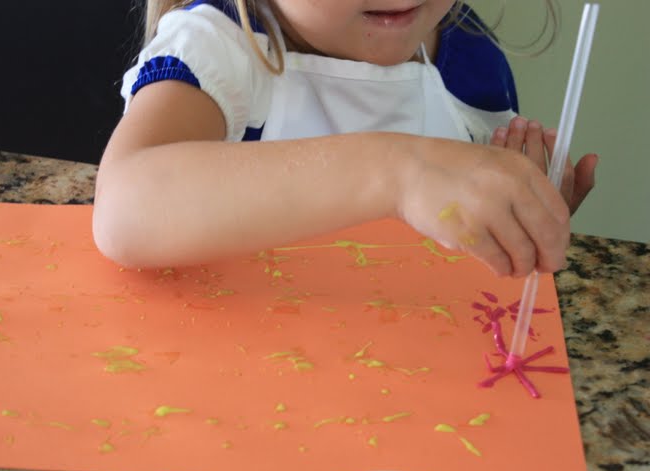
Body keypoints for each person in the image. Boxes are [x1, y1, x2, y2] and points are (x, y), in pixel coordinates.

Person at [93, 0, 597, 277]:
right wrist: (397, 172)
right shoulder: (221, 46)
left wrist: (516, 212)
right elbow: (125, 211)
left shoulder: (470, 58)